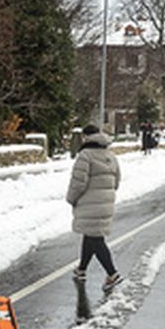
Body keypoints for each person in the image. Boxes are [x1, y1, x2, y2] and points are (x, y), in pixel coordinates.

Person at [67, 124, 122, 289]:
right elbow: (117, 182)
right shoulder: (111, 155)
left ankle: (112, 273)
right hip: (106, 203)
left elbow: (78, 183)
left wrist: (71, 199)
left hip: (89, 204)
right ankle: (81, 269)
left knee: (96, 239)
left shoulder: (85, 155)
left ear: (85, 137)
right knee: (90, 235)